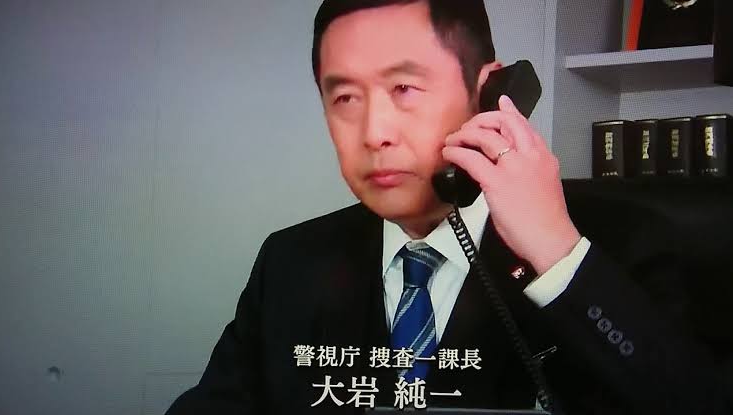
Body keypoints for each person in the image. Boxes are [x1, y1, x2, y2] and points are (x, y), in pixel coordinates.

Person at [166, 1, 726, 414]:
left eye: (404, 89)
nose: (374, 133)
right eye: (345, 98)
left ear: (489, 93)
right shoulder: (290, 261)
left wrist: (557, 257)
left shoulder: (619, 243)